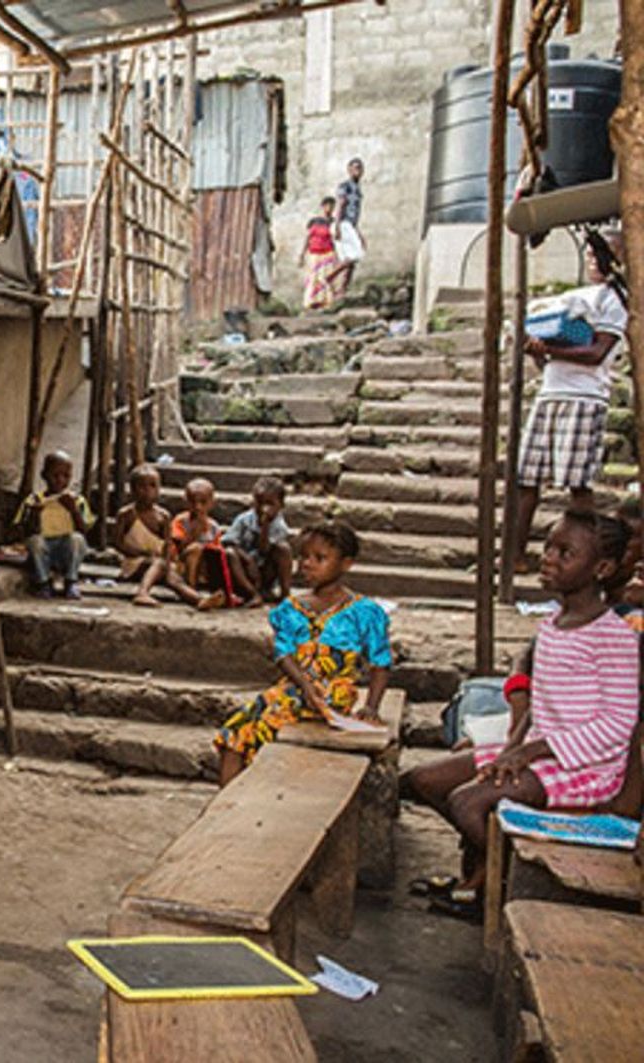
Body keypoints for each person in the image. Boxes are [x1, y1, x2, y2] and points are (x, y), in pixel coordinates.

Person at [400, 511, 639, 921]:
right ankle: (485, 869)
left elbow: (619, 724)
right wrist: (510, 747)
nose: (549, 558)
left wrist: (533, 752)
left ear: (601, 568)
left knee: (467, 803)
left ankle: (497, 886)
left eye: (565, 553)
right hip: (540, 751)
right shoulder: (553, 623)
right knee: (422, 780)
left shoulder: (613, 638)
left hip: (587, 766)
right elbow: (540, 703)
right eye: (548, 547)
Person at [214, 521, 391, 786]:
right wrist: (305, 685)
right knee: (235, 729)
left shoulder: (364, 612)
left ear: (346, 564)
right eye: (304, 557)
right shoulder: (292, 608)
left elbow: (380, 663)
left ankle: (240, 794)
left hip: (332, 696)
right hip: (296, 689)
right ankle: (225, 805)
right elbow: (283, 653)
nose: (308, 564)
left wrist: (371, 707)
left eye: (320, 558)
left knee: (259, 722)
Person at [509, 234, 629, 570]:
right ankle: (515, 556)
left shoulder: (615, 300)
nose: (592, 260)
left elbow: (596, 352)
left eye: (600, 255)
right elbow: (552, 359)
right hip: (551, 392)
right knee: (526, 479)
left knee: (577, 482)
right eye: (589, 254)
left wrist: (547, 348)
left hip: (583, 397)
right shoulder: (576, 298)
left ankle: (582, 557)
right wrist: (537, 350)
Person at [14, 451, 95, 600]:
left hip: (66, 551)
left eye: (66, 476)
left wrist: (73, 510)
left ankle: (71, 581)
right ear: (44, 475)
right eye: (55, 475)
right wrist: (35, 514)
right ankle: (43, 583)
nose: (60, 480)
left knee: (77, 539)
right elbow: (25, 531)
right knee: (34, 541)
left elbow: (84, 530)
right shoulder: (33, 500)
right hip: (44, 551)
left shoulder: (77, 500)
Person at [159, 477, 234, 610]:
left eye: (203, 502)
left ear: (212, 503)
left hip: (203, 568)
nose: (198, 507)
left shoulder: (213, 526)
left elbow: (216, 551)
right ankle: (191, 589)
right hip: (183, 564)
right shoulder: (181, 521)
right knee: (195, 548)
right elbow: (178, 548)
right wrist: (194, 532)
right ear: (186, 502)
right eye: (193, 502)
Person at [222, 476, 294, 606]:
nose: (263, 508)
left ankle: (285, 594)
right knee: (229, 553)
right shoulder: (243, 519)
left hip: (265, 571)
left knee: (284, 549)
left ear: (281, 505)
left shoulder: (279, 526)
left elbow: (264, 549)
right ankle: (252, 593)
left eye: (269, 503)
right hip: (244, 573)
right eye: (259, 502)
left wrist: (265, 525)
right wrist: (248, 561)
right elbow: (228, 541)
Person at [115, 464, 172, 608]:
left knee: (173, 578)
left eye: (153, 486)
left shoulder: (163, 516)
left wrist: (166, 563)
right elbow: (118, 542)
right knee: (158, 564)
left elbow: (167, 546)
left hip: (157, 565)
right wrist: (139, 553)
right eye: (142, 486)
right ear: (132, 490)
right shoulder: (126, 514)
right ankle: (142, 593)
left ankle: (197, 599)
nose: (148, 491)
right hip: (133, 564)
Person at [330, 158, 365, 297]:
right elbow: (340, 206)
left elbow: (355, 213)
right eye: (355, 168)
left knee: (351, 262)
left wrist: (358, 233)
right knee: (353, 256)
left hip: (350, 225)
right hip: (343, 223)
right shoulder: (345, 186)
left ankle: (342, 290)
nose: (358, 171)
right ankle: (329, 277)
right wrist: (337, 226)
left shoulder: (357, 189)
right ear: (349, 170)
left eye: (360, 168)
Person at [300, 197, 341, 312]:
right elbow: (308, 238)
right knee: (313, 278)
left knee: (326, 278)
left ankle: (326, 303)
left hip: (328, 254)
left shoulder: (333, 223)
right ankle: (311, 302)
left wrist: (337, 256)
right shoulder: (315, 222)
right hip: (314, 254)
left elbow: (336, 239)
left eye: (332, 206)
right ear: (323, 207)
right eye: (327, 206)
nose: (329, 208)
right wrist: (302, 254)